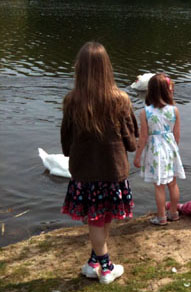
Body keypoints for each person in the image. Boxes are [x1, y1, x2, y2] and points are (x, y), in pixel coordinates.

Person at [61, 42, 138, 284]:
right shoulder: (121, 100)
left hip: (85, 172)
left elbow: (66, 141)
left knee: (99, 216)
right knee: (101, 216)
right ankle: (106, 268)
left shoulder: (72, 101)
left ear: (79, 69)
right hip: (113, 171)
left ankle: (94, 261)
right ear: (107, 68)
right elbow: (131, 142)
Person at [133, 73, 185, 226]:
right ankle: (174, 213)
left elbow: (143, 137)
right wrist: (174, 150)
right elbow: (177, 135)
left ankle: (161, 217)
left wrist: (137, 157)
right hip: (171, 149)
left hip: (155, 151)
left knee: (159, 186)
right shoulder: (174, 110)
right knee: (173, 183)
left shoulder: (145, 112)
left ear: (151, 91)